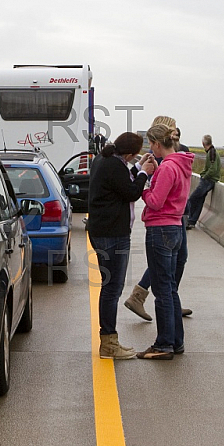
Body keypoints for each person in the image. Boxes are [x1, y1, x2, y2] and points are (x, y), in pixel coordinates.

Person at [87, 131, 156, 359]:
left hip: (102, 231)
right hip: (113, 234)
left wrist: (137, 168)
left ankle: (109, 340)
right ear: (130, 153)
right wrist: (145, 174)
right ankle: (108, 343)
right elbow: (131, 192)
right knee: (112, 289)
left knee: (109, 288)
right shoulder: (115, 166)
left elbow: (121, 182)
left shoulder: (104, 159)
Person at [124, 115, 193, 320]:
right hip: (168, 216)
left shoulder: (174, 156)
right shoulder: (164, 158)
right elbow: (156, 198)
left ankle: (166, 298)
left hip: (172, 215)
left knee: (174, 259)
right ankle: (160, 298)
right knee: (169, 260)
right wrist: (145, 189)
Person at [135, 124, 194, 359]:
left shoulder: (167, 168)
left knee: (161, 290)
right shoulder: (181, 164)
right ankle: (176, 341)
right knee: (170, 288)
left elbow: (156, 201)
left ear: (158, 144)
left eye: (150, 143)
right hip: (175, 227)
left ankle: (163, 344)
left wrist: (144, 186)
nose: (150, 147)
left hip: (160, 229)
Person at [186, 134, 221, 229]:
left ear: (203, 143)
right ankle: (192, 221)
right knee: (200, 201)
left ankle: (187, 219)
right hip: (210, 180)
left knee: (192, 199)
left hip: (208, 181)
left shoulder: (211, 153)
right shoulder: (212, 152)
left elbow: (213, 168)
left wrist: (205, 176)